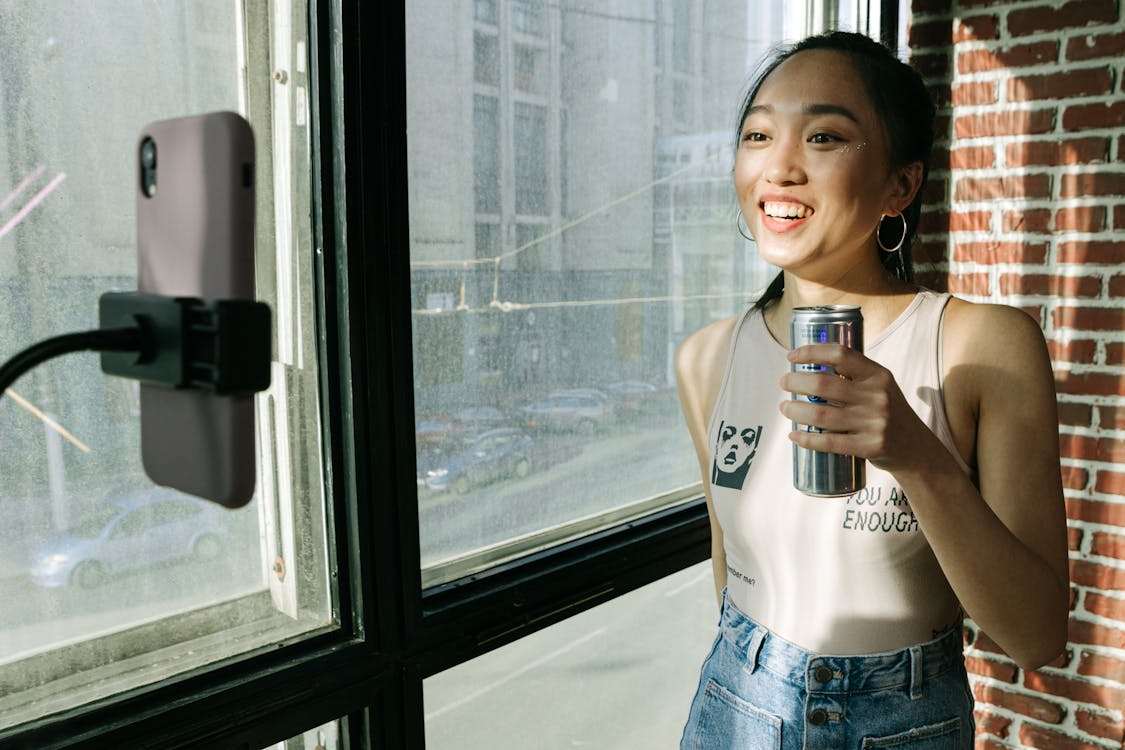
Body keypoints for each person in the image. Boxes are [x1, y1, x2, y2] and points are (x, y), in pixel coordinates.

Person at [675, 31, 1068, 749]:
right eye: (758, 133)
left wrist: (918, 457)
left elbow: (1037, 636)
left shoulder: (983, 345)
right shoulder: (706, 360)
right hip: (735, 703)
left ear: (900, 185)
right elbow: (731, 568)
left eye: (823, 136)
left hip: (902, 723)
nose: (779, 166)